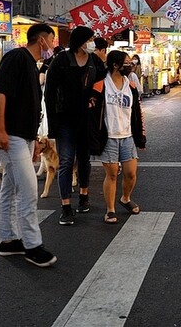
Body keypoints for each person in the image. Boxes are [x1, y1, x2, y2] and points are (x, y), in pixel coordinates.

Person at [0, 23, 57, 267]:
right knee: (28, 189)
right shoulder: (17, 57)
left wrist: (35, 139)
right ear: (42, 40)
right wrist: (1, 129)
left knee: (12, 187)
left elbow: (29, 107)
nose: (53, 45)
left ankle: (8, 240)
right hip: (9, 135)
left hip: (23, 136)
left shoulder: (31, 65)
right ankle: (32, 245)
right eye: (52, 39)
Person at [44, 26, 106, 225]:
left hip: (87, 120)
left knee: (84, 160)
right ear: (80, 41)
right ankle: (66, 206)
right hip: (65, 120)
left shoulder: (95, 61)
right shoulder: (61, 60)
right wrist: (52, 123)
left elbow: (104, 85)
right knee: (66, 161)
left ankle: (84, 194)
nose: (92, 43)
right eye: (90, 39)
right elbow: (50, 93)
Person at [89, 50, 147, 225]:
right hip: (109, 137)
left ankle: (126, 198)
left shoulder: (131, 86)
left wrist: (141, 136)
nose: (130, 65)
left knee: (130, 173)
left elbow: (137, 112)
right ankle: (110, 210)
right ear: (115, 65)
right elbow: (92, 115)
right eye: (127, 63)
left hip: (128, 136)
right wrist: (94, 139)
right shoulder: (100, 85)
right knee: (112, 174)